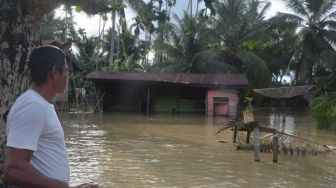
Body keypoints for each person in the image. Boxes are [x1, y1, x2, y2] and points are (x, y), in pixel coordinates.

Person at [3, 45, 100, 188]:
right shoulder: (32, 106)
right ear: (54, 72)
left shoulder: (40, 104)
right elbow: (13, 169)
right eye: (66, 70)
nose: (68, 76)